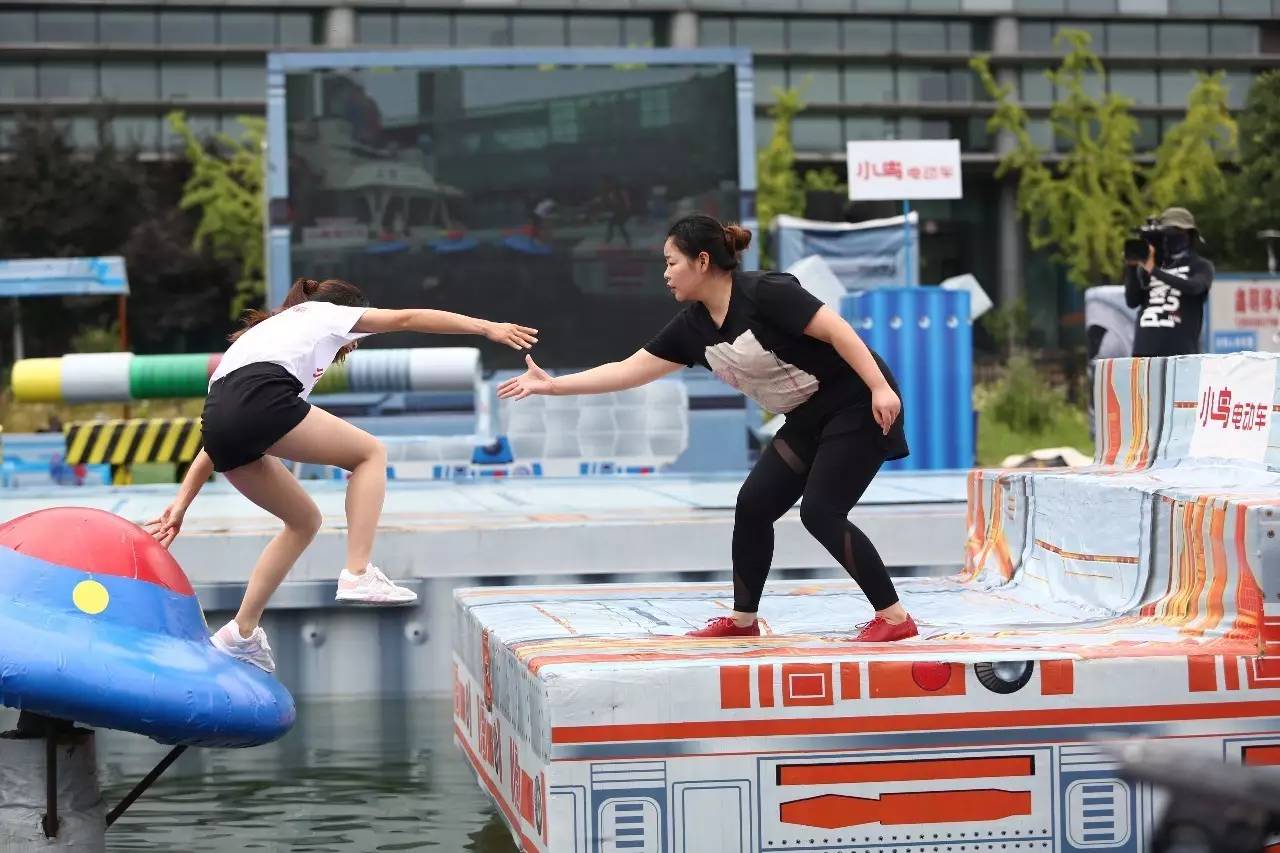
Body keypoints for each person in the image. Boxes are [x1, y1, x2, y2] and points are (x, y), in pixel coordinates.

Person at [499, 214, 918, 642]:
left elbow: (840, 331)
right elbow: (628, 371)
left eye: (670, 263)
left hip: (858, 402)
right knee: (754, 504)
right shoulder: (693, 328)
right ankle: (743, 622)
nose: (665, 275)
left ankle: (895, 619)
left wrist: (880, 388)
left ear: (702, 261)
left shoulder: (766, 292)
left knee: (820, 512)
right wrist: (552, 386)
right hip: (807, 417)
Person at [145, 278, 538, 672]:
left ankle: (240, 633)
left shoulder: (272, 332)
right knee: (370, 454)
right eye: (358, 335)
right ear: (350, 311)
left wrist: (181, 505)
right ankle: (358, 572)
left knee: (303, 521)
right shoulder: (328, 314)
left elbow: (220, 433)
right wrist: (486, 327)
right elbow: (407, 318)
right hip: (260, 403)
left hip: (218, 422)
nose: (354, 343)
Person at [1125, 206, 1213, 357]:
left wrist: (1154, 271)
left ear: (1190, 235)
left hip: (1180, 356)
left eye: (1177, 232)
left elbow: (1194, 287)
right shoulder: (1153, 264)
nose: (1172, 237)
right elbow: (1132, 301)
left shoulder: (1200, 265)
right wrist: (1132, 267)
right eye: (1167, 233)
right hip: (1143, 353)